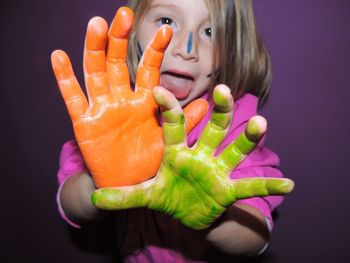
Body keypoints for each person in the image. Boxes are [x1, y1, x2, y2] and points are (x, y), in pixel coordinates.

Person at [51, 0, 293, 261]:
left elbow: (256, 239)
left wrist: (210, 217)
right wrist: (97, 182)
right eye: (166, 22)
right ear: (134, 31)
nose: (187, 49)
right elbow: (70, 204)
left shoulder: (233, 127)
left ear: (230, 51)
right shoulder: (112, 113)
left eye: (209, 32)